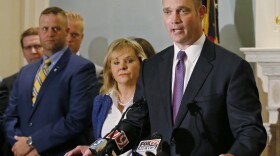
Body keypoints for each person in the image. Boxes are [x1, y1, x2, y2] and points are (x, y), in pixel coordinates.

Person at [4, 6, 99, 156]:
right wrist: (20, 144)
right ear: (39, 31)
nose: (49, 34)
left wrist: (34, 144)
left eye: (55, 29)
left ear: (66, 32)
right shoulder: (26, 72)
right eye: (45, 28)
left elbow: (77, 119)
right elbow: (10, 116)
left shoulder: (81, 68)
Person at [65, 38, 147, 156]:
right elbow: (100, 141)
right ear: (110, 69)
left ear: (141, 64)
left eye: (129, 61)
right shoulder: (101, 101)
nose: (122, 66)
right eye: (116, 62)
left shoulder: (150, 99)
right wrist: (92, 149)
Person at [0, 27, 43, 155]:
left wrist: (38, 144)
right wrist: (22, 145)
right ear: (23, 52)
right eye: (28, 47)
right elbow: (4, 119)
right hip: (16, 149)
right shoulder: (8, 83)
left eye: (37, 46)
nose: (33, 51)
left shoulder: (59, 78)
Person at [66, 11, 103, 80]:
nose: (69, 39)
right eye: (65, 34)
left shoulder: (96, 72)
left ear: (81, 37)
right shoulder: (44, 68)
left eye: (74, 35)